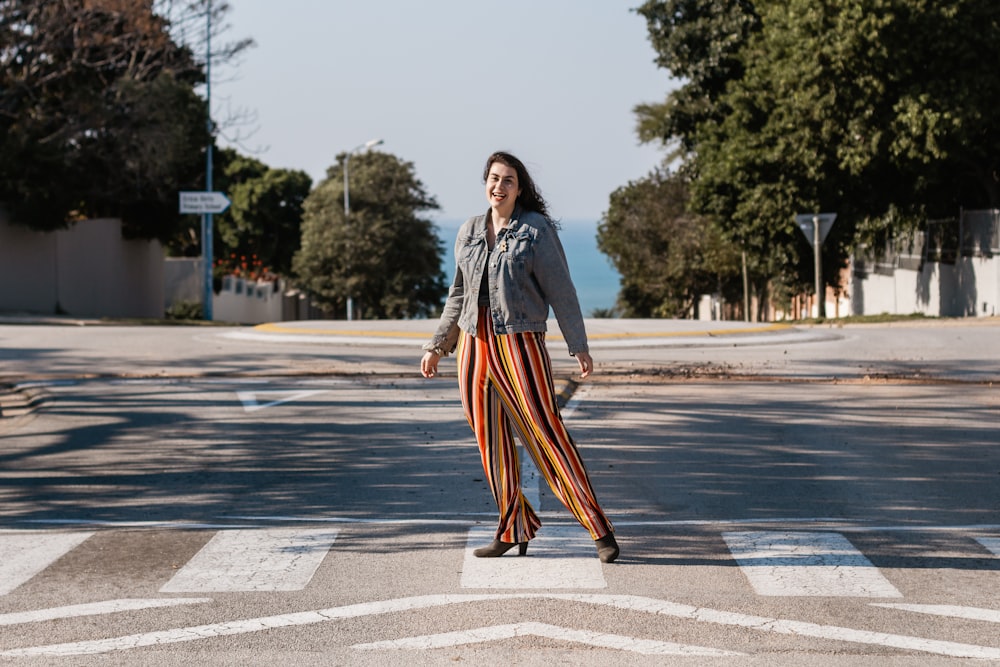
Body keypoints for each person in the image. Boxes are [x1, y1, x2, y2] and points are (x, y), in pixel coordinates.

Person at [420, 151, 619, 563]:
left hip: (520, 344)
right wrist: (437, 345)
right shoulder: (469, 231)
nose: (499, 186)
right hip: (473, 348)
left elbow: (561, 290)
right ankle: (513, 527)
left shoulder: (535, 230)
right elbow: (457, 294)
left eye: (508, 180)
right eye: (494, 178)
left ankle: (598, 528)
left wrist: (577, 344)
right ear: (485, 183)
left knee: (546, 433)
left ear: (519, 188)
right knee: (490, 443)